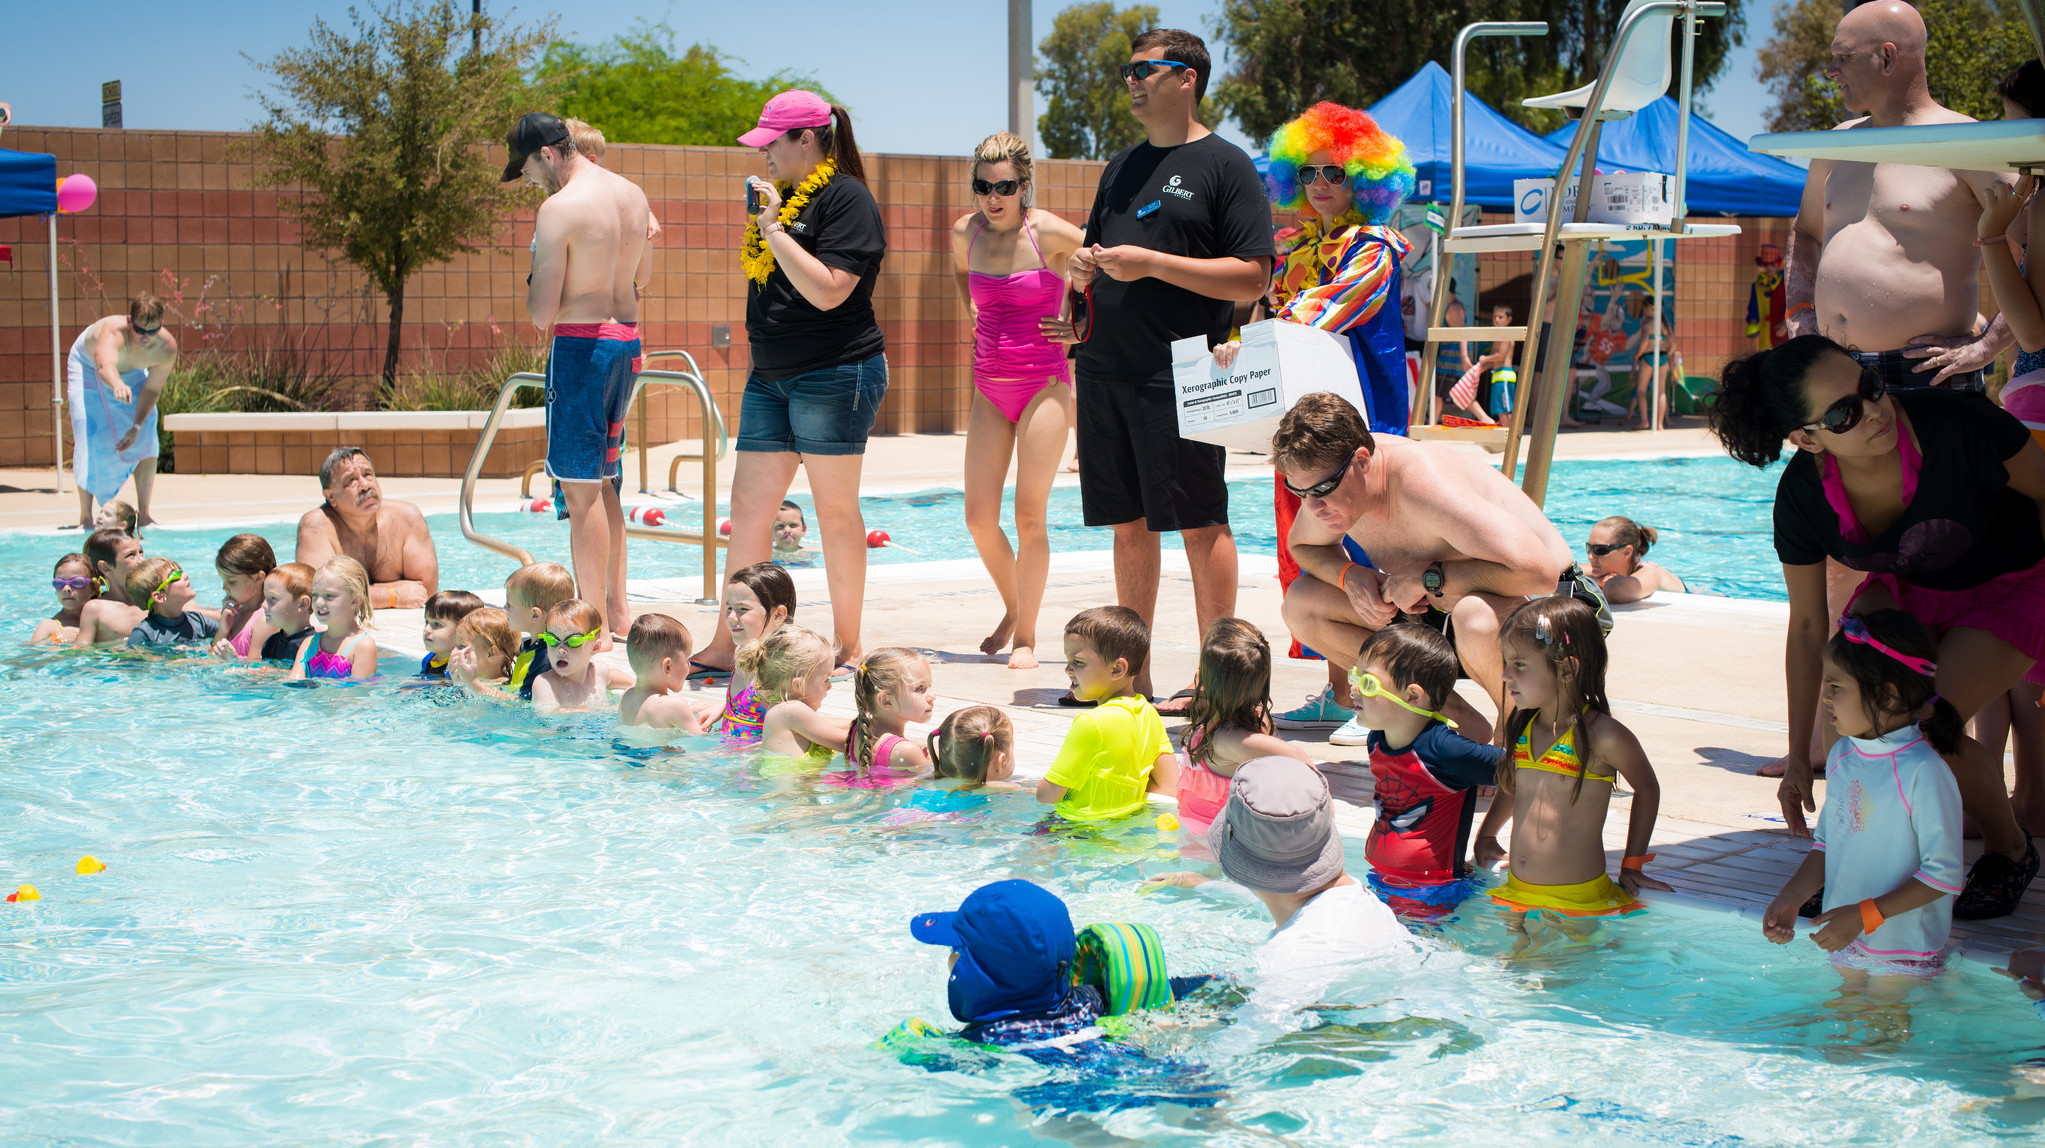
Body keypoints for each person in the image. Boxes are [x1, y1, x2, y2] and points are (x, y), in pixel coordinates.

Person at [1708, 333, 2045, 918]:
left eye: (1870, 388)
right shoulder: (1804, 499)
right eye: (1844, 413)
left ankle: (2009, 849)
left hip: (2013, 583)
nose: (1874, 411)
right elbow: (1810, 627)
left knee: (1921, 725)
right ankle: (1855, 851)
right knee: (1853, 702)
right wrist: (1796, 756)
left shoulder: (1959, 425)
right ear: (1805, 438)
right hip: (1910, 590)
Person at [1057, 29, 1273, 707]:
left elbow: (1252, 277)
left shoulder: (1224, 166)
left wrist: (1152, 263)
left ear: (1187, 78)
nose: (1131, 79)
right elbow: (1099, 251)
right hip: (1103, 368)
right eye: (1128, 69)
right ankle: (1133, 679)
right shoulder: (1120, 166)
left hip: (1180, 372)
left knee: (1198, 521)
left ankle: (1221, 684)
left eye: (1146, 69)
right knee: (1126, 522)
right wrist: (1077, 275)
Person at [1213, 101, 1415, 731]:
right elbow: (1269, 317)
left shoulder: (1375, 247)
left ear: (1367, 179)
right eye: (1309, 173)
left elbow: (1331, 307)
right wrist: (1242, 341)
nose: (1322, 185)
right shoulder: (1295, 243)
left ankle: (1390, 689)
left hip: (1360, 418)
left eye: (1336, 172)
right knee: (1306, 543)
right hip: (1302, 417)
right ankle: (1341, 688)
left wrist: (1257, 335)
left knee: (1365, 546)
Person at [692, 90, 887, 678]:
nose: (764, 154)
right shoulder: (782, 200)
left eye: (772, 142)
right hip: (770, 375)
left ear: (807, 139)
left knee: (833, 511)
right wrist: (771, 224)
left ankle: (849, 646)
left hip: (834, 372)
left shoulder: (848, 198)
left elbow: (831, 289)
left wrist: (775, 230)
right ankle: (730, 645)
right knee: (749, 507)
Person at [1272, 391, 1585, 738]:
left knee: (1475, 618)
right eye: (1301, 493)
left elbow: (1539, 573)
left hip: (1555, 608)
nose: (1313, 508)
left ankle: (1515, 743)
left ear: (1362, 461)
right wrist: (1348, 575)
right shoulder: (1335, 484)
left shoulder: (1420, 484)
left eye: (1322, 489)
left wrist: (1429, 577)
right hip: (1438, 612)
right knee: (1302, 604)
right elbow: (1302, 545)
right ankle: (1456, 721)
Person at [1786, 1, 2018, 392]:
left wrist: (1988, 345)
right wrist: (1798, 312)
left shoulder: (1969, 143)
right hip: (1837, 370)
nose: (1831, 71)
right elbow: (1806, 232)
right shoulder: (1836, 144)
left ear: (1887, 57)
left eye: (1844, 57)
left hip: (1929, 374)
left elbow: (2037, 254)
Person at [506, 112, 652, 645]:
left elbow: (542, 311)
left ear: (547, 153)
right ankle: (617, 610)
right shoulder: (631, 194)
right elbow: (645, 277)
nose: (526, 181)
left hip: (582, 347)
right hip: (627, 343)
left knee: (581, 489)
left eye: (524, 168)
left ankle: (591, 627)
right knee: (607, 479)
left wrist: (536, 272)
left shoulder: (560, 208)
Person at [1763, 610, 1963, 995]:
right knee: (1842, 1032)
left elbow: (1944, 875)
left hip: (1904, 949)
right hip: (1850, 934)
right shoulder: (1843, 757)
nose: (1825, 697)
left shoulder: (1924, 771)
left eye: (1836, 686)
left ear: (1887, 695)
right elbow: (1827, 846)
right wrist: (1791, 897)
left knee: (1881, 1037)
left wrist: (1863, 915)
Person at [897, 880, 1217, 1115]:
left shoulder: (979, 1042)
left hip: (1073, 1096)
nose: (950, 959)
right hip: (1178, 1079)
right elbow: (1211, 987)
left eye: (958, 951)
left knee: (1034, 1111)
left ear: (981, 975)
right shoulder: (1096, 997)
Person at [951, 131, 1085, 671]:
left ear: (1024, 185)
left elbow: (1103, 266)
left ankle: (1026, 636)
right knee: (978, 518)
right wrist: (971, 312)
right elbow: (962, 276)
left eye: (1005, 186)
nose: (993, 196)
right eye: (983, 187)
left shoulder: (1048, 229)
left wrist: (1080, 325)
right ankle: (1014, 605)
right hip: (989, 385)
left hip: (1045, 386)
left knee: (1029, 516)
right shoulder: (966, 232)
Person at [1473, 598, 1668, 939]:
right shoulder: (1525, 724)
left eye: (1519, 664)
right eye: (1506, 662)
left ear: (1566, 669)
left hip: (1576, 900)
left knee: (1561, 984)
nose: (1505, 675)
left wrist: (1632, 863)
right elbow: (1513, 784)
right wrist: (1488, 835)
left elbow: (1647, 788)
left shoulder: (1602, 736)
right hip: (1519, 893)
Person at [1147, 756, 1418, 990]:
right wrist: (1201, 884)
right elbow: (1274, 898)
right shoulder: (1359, 902)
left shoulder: (1288, 962)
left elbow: (1245, 1042)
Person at [1353, 623, 1505, 920]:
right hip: (1383, 877)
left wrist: (1487, 836)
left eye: (1367, 683)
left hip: (1432, 891)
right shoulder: (1377, 739)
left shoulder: (1445, 749)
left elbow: (1522, 770)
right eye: (1354, 676)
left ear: (1412, 696)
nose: (1353, 689)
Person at [1037, 606, 1180, 822]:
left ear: (1117, 669)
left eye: (1078, 662)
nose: (1068, 669)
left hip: (1077, 830)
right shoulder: (1149, 715)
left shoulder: (1091, 723)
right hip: (1125, 828)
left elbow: (1046, 796)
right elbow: (1169, 787)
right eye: (1068, 661)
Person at [1176, 618, 1311, 835]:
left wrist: (1324, 808)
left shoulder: (1227, 740)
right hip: (1216, 838)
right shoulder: (1252, 718)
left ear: (1205, 679)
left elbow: (1294, 754)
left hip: (1210, 847)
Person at [67, 294, 176, 529]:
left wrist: (135, 426)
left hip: (129, 373)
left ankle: (145, 515)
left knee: (148, 428)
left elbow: (152, 389)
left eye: (152, 331)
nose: (146, 337)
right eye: (139, 330)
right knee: (89, 431)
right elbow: (104, 367)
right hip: (87, 367)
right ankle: (85, 517)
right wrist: (116, 384)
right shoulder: (112, 333)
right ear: (129, 321)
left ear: (160, 325)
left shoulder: (165, 348)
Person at [294, 447, 438, 611]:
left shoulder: (407, 518)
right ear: (331, 496)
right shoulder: (315, 526)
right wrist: (393, 595)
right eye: (351, 481)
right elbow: (320, 595)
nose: (364, 486)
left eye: (368, 474)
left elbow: (425, 591)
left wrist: (351, 593)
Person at [707, 562, 798, 745]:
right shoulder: (744, 652)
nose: (731, 617)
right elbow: (754, 704)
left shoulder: (781, 668)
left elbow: (792, 729)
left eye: (742, 609)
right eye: (729, 608)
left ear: (778, 615)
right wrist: (724, 707)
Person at [745, 625, 848, 761]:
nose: (829, 686)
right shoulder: (791, 710)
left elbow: (833, 724)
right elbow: (848, 744)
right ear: (798, 685)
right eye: (825, 679)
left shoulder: (781, 710)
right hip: (798, 782)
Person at [845, 648, 936, 776]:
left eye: (929, 687)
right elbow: (933, 783)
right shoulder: (908, 752)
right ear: (886, 701)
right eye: (919, 688)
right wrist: (937, 751)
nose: (932, 696)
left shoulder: (859, 731)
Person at [290, 557, 379, 681]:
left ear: (354, 601)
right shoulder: (309, 644)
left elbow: (359, 695)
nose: (319, 602)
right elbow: (292, 686)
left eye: (329, 596)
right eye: (315, 595)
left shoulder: (362, 646)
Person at [618, 612, 705, 734]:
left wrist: (690, 710)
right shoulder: (676, 706)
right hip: (662, 754)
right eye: (687, 658)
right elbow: (702, 741)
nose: (689, 664)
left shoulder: (627, 697)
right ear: (667, 667)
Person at [529, 599, 623, 712]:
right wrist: (606, 710)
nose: (561, 649)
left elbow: (633, 683)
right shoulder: (545, 683)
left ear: (595, 648)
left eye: (573, 641)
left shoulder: (599, 672)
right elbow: (552, 715)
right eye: (552, 640)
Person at [71, 528, 149, 647]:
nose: (142, 560)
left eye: (141, 552)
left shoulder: (155, 598)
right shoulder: (96, 609)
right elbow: (82, 652)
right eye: (131, 555)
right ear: (105, 568)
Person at [1585, 517, 1686, 603]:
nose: (1590, 556)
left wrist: (1597, 580)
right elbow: (1572, 569)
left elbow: (1614, 591)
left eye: (1600, 550)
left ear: (1627, 552)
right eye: (1589, 548)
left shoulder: (1651, 572)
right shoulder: (1606, 568)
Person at [124, 559, 220, 649]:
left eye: (181, 571)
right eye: (175, 575)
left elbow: (229, 637)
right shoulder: (144, 634)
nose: (185, 575)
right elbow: (131, 663)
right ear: (159, 597)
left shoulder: (200, 622)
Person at [210, 534, 277, 662]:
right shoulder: (237, 612)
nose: (224, 587)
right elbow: (212, 655)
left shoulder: (265, 620)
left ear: (258, 578)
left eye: (232, 581)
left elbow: (257, 673)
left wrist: (233, 662)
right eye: (223, 580)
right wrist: (223, 630)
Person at [256, 563, 317, 664]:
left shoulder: (314, 646)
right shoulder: (271, 643)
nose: (264, 605)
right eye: (265, 598)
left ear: (302, 604)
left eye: (273, 598)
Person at [448, 607, 519, 693]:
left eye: (462, 647)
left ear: (491, 653)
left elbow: (510, 702)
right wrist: (459, 684)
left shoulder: (505, 686)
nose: (454, 652)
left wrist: (471, 683)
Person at [418, 590, 486, 678]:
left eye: (437, 624)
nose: (427, 629)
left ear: (464, 632)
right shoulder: (429, 659)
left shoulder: (462, 666)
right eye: (426, 622)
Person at [31, 554, 97, 646]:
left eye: (77, 582)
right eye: (59, 583)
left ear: (94, 588)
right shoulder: (48, 626)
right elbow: (33, 654)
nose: (66, 589)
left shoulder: (104, 619)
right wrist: (56, 639)